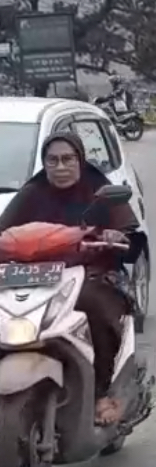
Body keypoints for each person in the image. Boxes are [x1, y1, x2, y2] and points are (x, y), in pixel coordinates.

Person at [0, 132, 145, 426]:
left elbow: (130, 235)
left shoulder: (99, 189)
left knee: (93, 306)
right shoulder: (32, 193)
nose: (60, 167)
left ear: (80, 160)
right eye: (52, 161)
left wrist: (116, 237)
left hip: (93, 274)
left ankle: (103, 391)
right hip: (35, 279)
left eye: (68, 159)